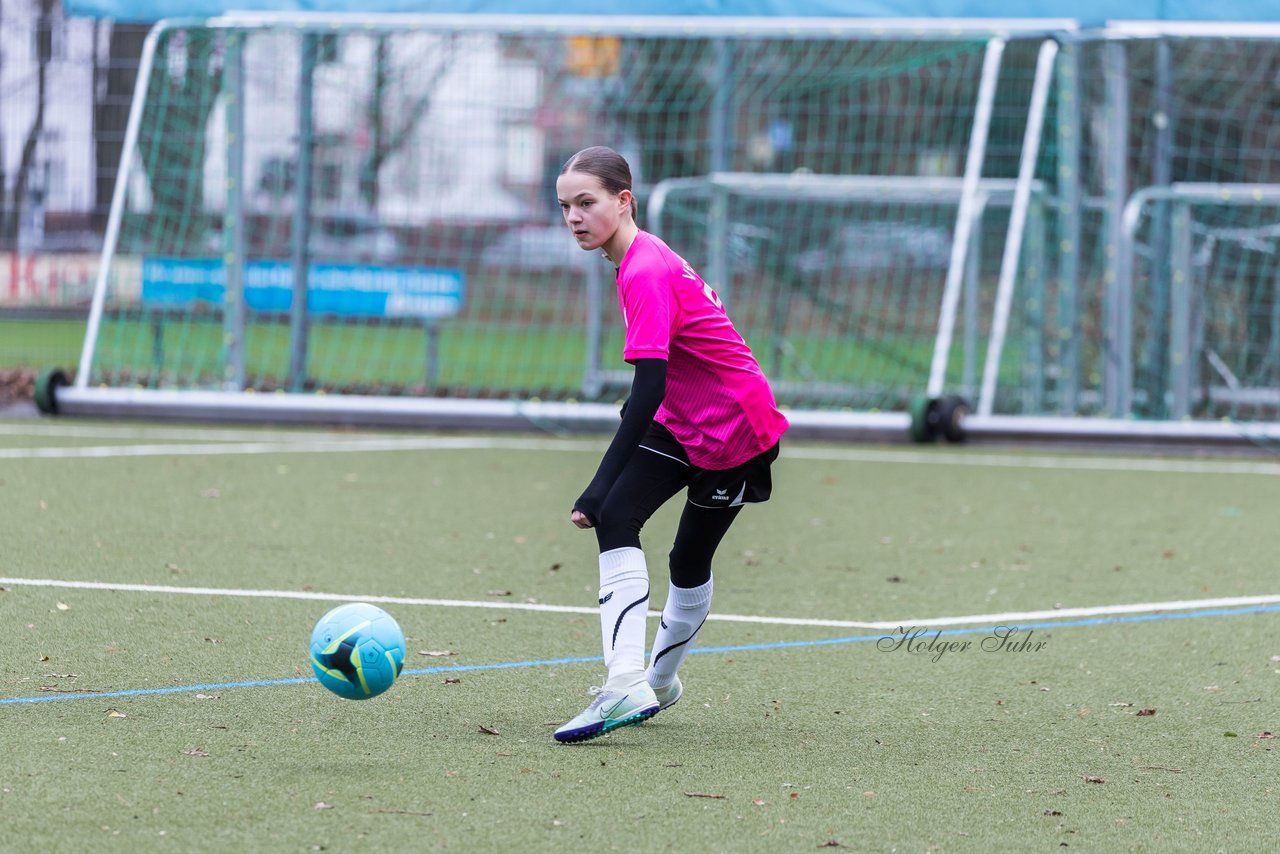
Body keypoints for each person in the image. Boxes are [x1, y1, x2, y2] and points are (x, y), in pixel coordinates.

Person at [552, 146, 789, 744]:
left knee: (687, 561)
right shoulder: (631, 260)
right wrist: (606, 490)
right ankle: (626, 680)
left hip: (736, 428)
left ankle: (657, 680)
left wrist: (598, 481)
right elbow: (658, 384)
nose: (575, 217)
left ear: (623, 201)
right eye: (565, 206)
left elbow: (649, 382)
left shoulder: (644, 268)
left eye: (587, 203)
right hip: (681, 418)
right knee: (616, 519)